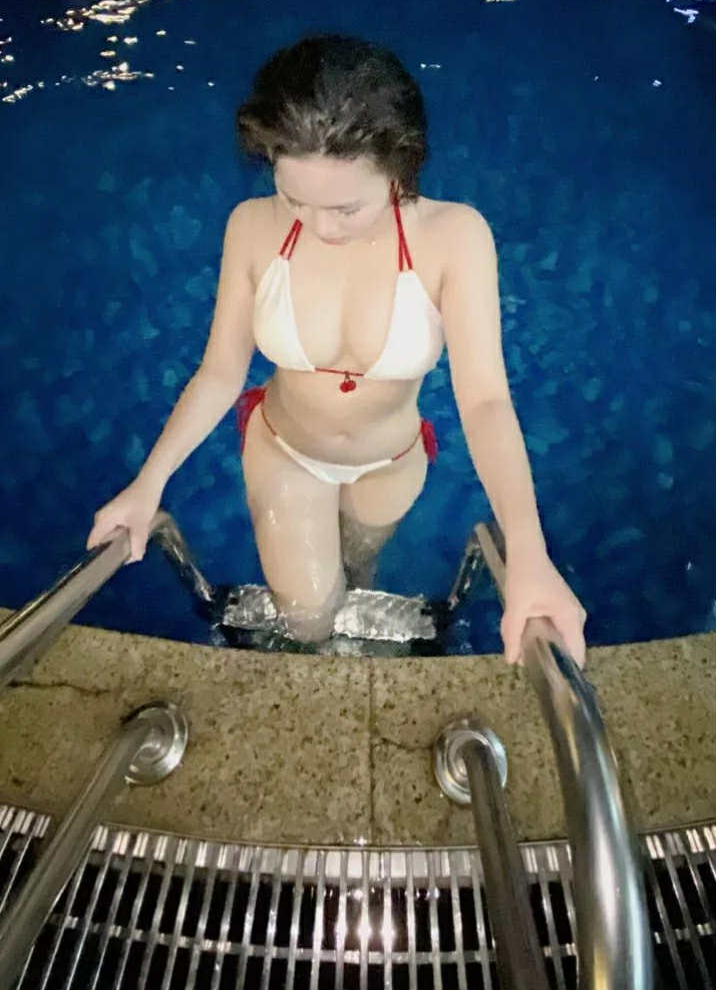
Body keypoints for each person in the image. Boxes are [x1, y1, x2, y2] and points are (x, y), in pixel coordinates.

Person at [87, 35, 586, 664]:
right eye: (295, 198)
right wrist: (148, 484)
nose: (320, 227)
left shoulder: (455, 238)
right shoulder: (252, 226)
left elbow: (485, 400)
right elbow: (219, 373)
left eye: (347, 207)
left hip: (391, 461)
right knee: (308, 616)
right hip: (286, 451)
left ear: (400, 167)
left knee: (359, 570)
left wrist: (530, 555)